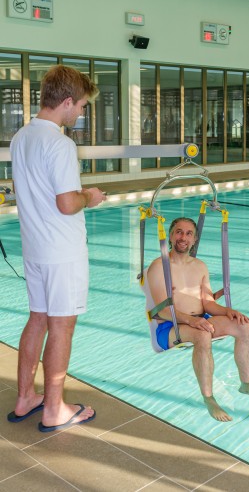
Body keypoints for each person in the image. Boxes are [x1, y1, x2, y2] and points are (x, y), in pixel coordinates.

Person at [8, 65, 106, 432]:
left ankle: (25, 399)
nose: (80, 113)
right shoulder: (60, 143)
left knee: (38, 320)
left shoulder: (21, 137)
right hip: (62, 252)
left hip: (34, 248)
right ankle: (54, 409)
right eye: (80, 106)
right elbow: (67, 202)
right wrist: (90, 197)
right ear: (66, 102)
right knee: (62, 327)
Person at [147, 217, 249, 422]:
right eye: (178, 232)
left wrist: (226, 311)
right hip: (170, 327)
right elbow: (162, 310)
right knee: (203, 335)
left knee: (244, 326)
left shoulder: (200, 266)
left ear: (195, 239)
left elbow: (207, 303)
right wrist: (191, 321)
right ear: (170, 235)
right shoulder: (159, 267)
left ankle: (246, 384)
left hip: (200, 320)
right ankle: (209, 398)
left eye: (189, 233)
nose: (183, 237)